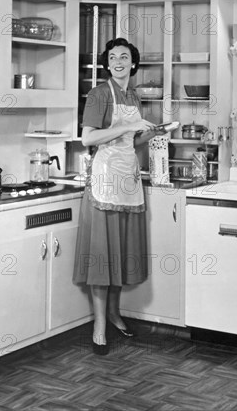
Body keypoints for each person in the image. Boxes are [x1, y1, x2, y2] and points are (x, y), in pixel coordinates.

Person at [73, 37, 163, 355]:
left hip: (128, 179)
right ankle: (99, 326)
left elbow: (130, 143)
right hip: (104, 181)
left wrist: (151, 133)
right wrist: (132, 126)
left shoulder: (133, 95)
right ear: (108, 64)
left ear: (133, 63)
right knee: (102, 256)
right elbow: (88, 138)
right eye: (113, 57)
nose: (119, 61)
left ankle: (114, 313)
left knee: (120, 253)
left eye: (124, 56)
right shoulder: (99, 94)